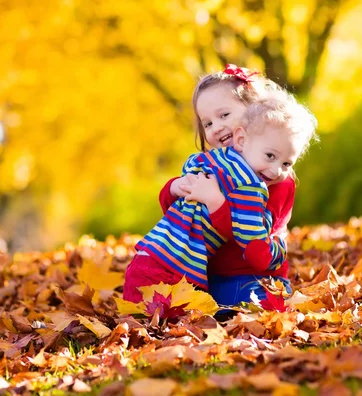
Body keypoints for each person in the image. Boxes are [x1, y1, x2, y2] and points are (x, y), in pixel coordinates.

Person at [123, 65, 318, 305]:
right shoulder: (220, 165)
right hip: (209, 272)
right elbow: (179, 210)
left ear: (253, 110)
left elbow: (250, 236)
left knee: (249, 301)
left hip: (250, 273)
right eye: (207, 123)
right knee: (183, 298)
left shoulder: (275, 177)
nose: (216, 127)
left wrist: (215, 201)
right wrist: (178, 187)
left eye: (224, 115)